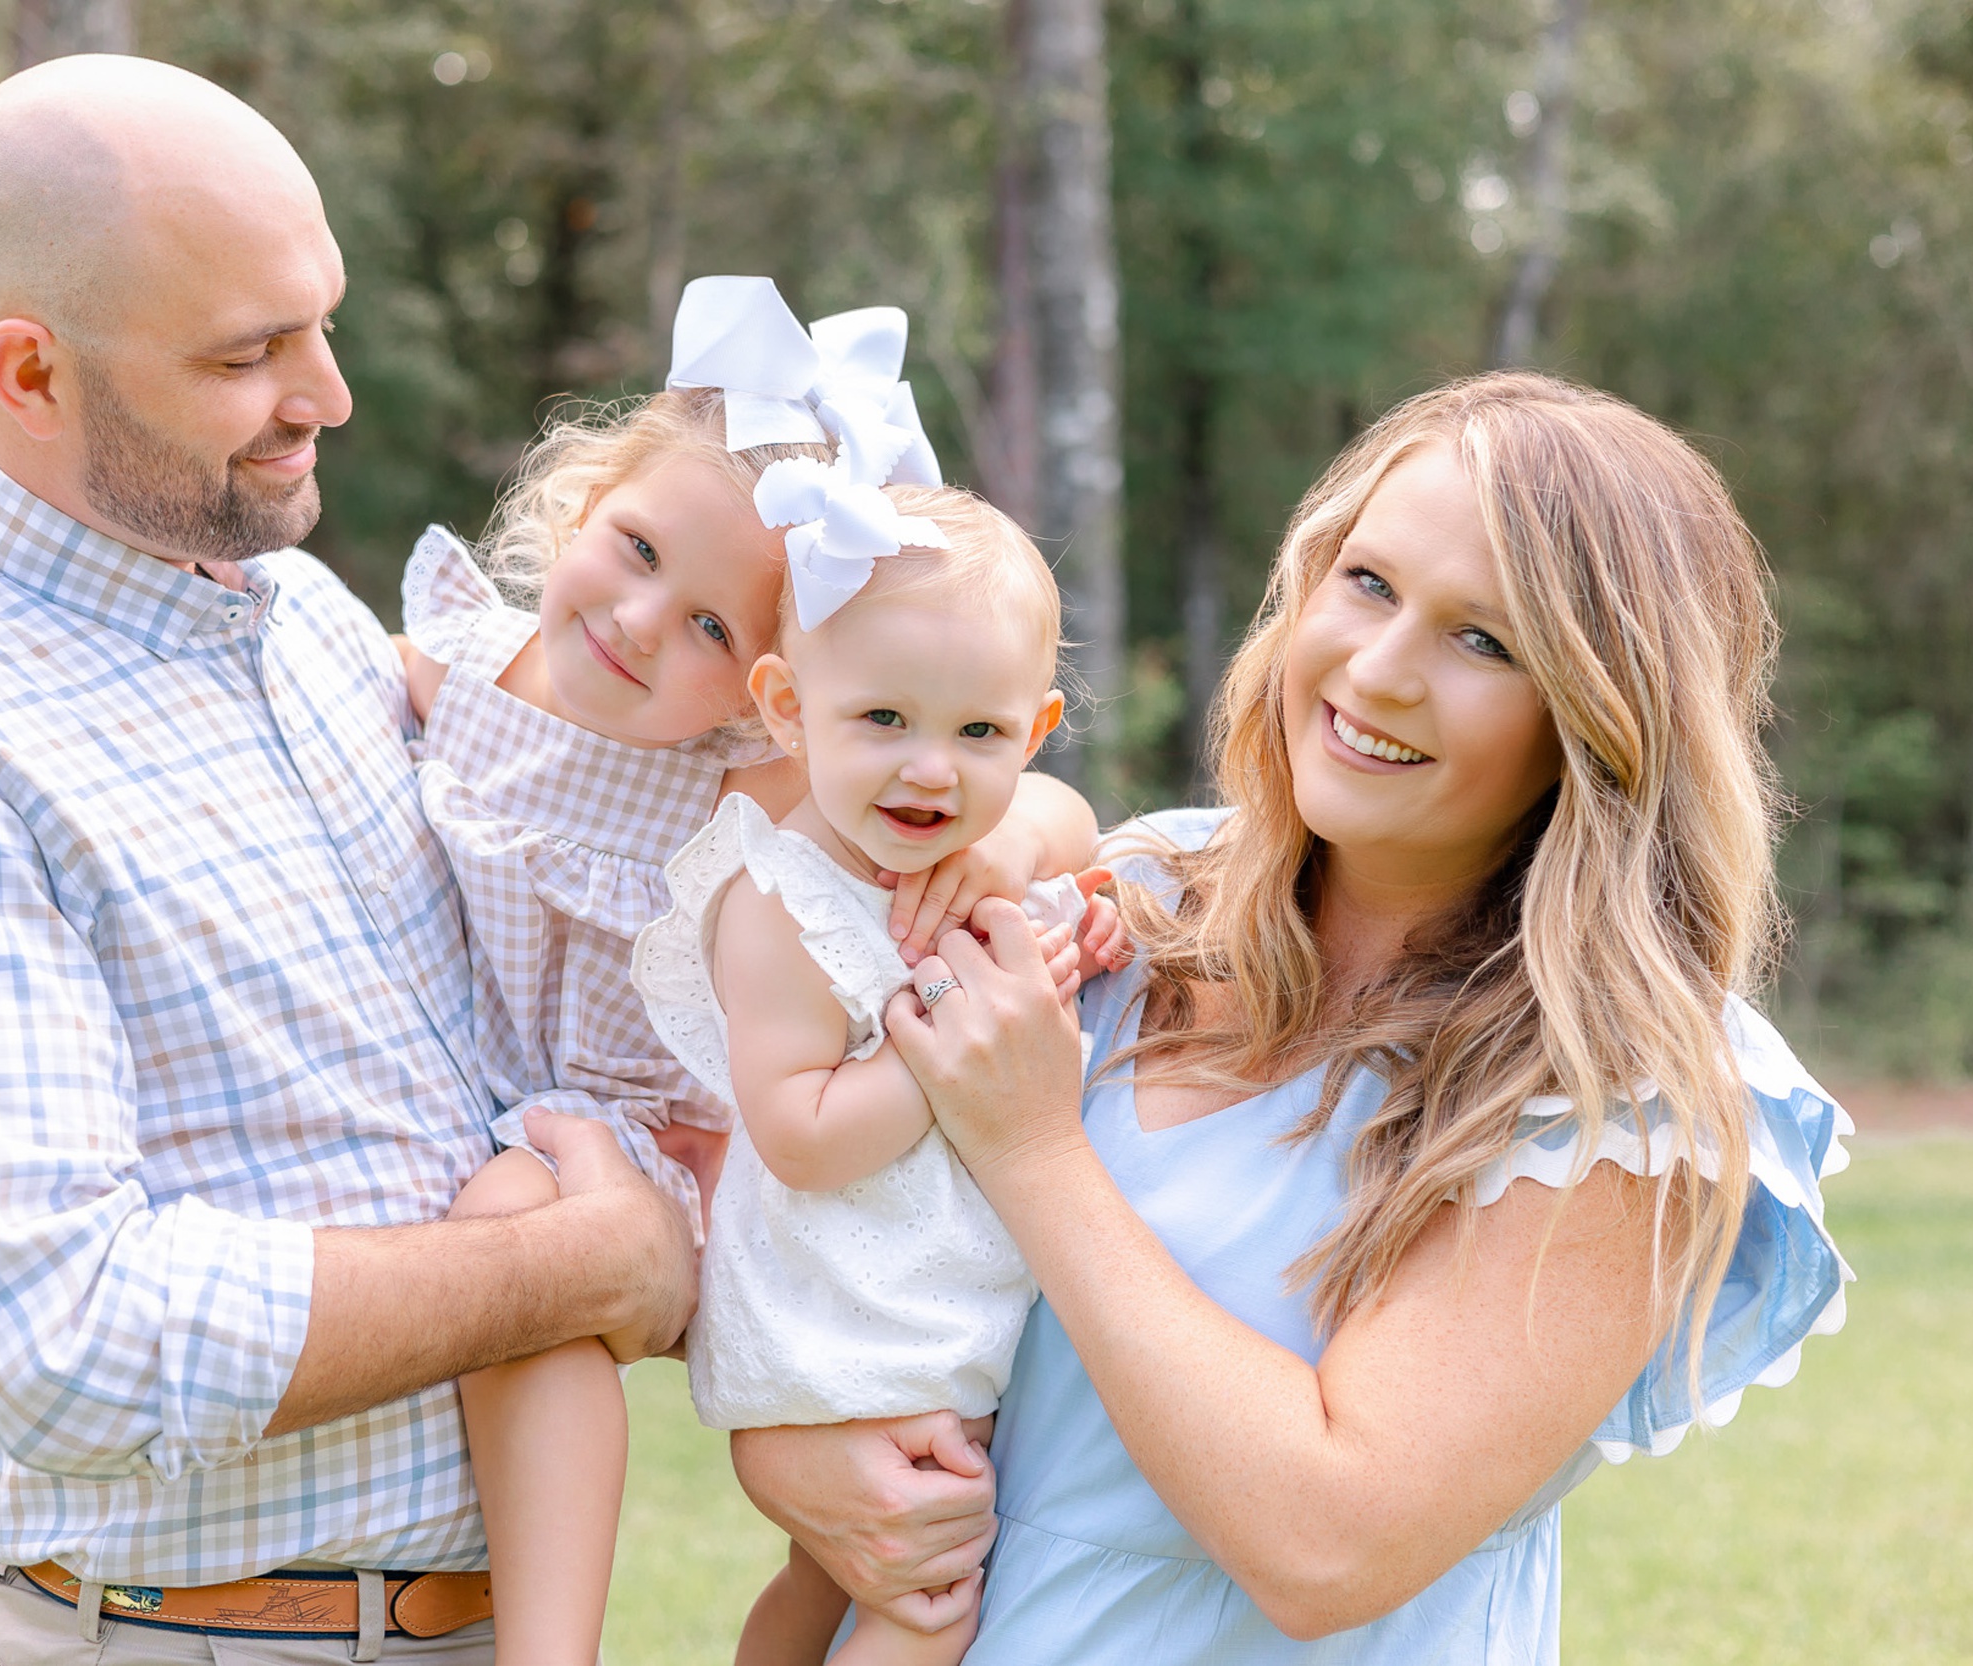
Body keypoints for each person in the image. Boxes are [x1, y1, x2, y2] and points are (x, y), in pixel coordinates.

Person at [0, 56, 692, 1666]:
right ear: (30, 373)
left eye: (320, 319)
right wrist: (571, 1265)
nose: (328, 392)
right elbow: (66, 1337)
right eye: (249, 353)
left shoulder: (309, 622)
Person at [729, 371, 1855, 1662]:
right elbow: (824, 1230)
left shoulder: (1629, 1100)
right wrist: (791, 1457)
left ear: (1603, 722)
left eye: (1484, 641)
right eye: (1368, 583)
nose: (1378, 672)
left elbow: (1329, 1544)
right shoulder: (1134, 901)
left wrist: (1033, 1149)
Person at [402, 275, 1103, 1665]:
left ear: (771, 682)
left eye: (719, 627)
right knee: (512, 1232)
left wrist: (1011, 828)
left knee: (526, 1234)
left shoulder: (743, 763)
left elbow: (1030, 799)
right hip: (490, 1119)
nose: (647, 622)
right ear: (587, 496)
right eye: (639, 546)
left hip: (680, 1149)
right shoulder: (443, 673)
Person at [631, 479, 1125, 1666]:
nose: (929, 773)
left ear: (1035, 729)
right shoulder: (786, 902)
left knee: (827, 1574)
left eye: (977, 734)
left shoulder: (973, 856)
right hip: (851, 1317)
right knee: (926, 1594)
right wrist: (957, 1039)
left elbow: (1077, 854)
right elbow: (797, 1130)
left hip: (927, 1289)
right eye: (883, 720)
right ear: (789, 707)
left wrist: (1076, 936)